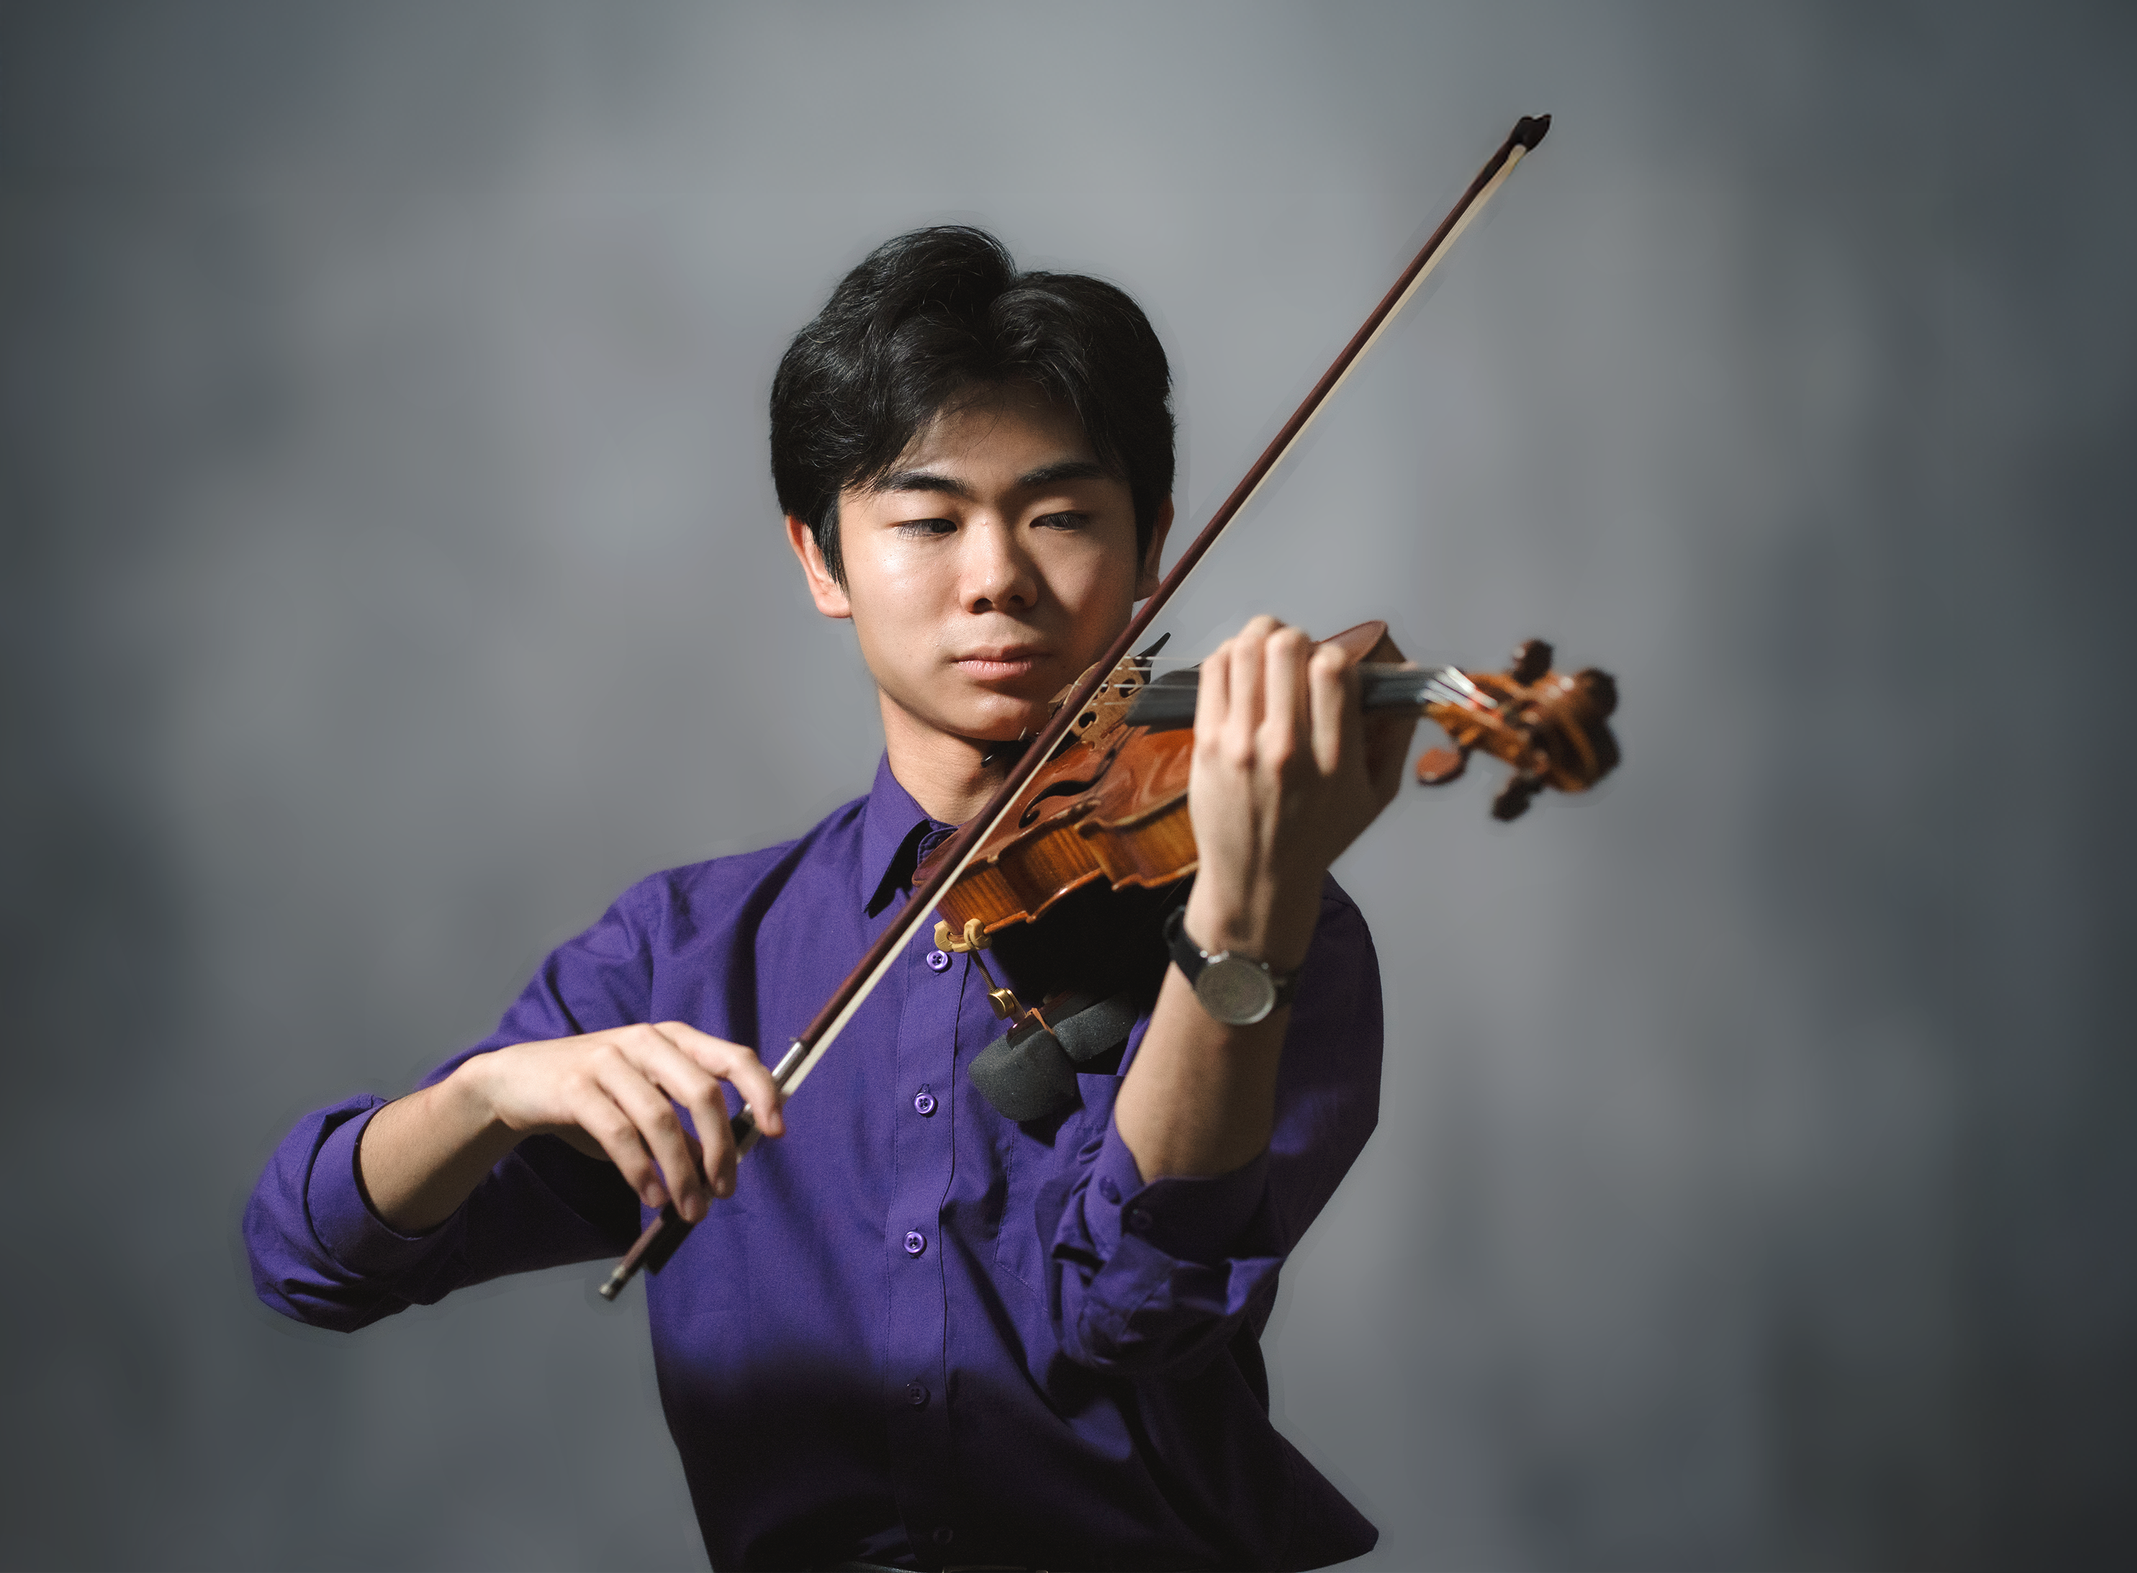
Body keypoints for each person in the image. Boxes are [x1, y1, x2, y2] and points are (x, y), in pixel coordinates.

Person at [245, 226, 1417, 1573]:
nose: (997, 578)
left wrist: (1237, 925)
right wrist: (489, 1090)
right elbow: (310, 1253)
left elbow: (1134, 1314)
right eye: (927, 520)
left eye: (1062, 516)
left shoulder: (1281, 925)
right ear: (821, 559)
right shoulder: (684, 954)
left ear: (1154, 545)